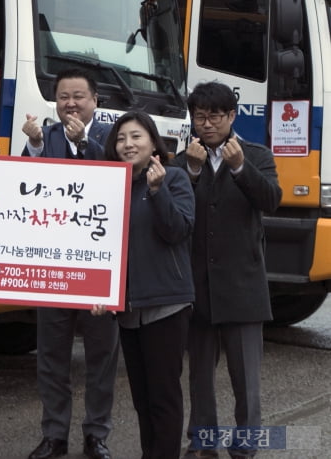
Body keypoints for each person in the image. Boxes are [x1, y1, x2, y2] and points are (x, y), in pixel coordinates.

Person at [173, 81, 282, 459]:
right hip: (197, 286)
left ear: (231, 116)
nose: (207, 124)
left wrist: (239, 167)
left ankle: (246, 446)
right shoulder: (184, 160)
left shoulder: (257, 155)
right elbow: (172, 213)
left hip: (243, 286)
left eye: (215, 116)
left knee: (246, 381)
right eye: (199, 117)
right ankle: (203, 444)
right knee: (200, 378)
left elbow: (271, 200)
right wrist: (188, 170)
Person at [22, 68, 118, 459]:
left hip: (99, 268)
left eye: (79, 96)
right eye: (63, 96)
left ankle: (97, 435)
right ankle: (54, 434)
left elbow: (121, 181)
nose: (71, 104)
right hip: (53, 268)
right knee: (51, 358)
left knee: (101, 359)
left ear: (95, 100)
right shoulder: (45, 137)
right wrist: (33, 147)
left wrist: (86, 145)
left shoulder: (115, 137)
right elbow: (21, 191)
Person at [95, 111, 195, 458]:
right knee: (141, 398)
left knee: (163, 396)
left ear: (153, 141)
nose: (127, 144)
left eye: (136, 137)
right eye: (121, 138)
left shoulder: (176, 178)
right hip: (127, 308)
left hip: (166, 303)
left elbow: (177, 230)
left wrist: (157, 191)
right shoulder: (108, 185)